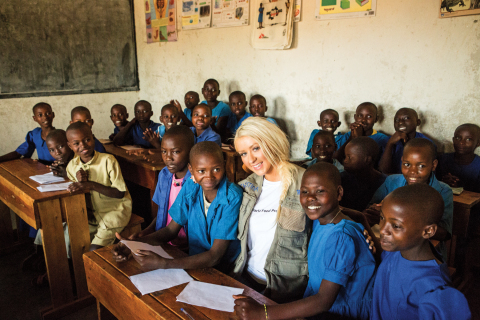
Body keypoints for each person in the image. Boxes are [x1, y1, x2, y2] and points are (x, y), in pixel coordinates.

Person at [234, 162, 376, 320]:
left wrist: (264, 313)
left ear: (339, 193)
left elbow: (324, 301)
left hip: (338, 314)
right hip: (315, 308)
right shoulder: (321, 221)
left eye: (320, 191)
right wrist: (360, 217)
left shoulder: (340, 237)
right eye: (304, 191)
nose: (310, 198)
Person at [112, 142, 242, 273]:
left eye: (216, 169)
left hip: (223, 269)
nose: (209, 176)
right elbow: (170, 230)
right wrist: (133, 244)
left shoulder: (232, 196)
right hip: (191, 261)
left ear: (224, 165)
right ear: (191, 169)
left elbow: (215, 256)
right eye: (201, 171)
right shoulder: (191, 186)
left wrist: (164, 264)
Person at [232, 117, 310, 303]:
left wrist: (359, 224)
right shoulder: (247, 187)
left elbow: (330, 215)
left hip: (286, 290)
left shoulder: (305, 181)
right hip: (246, 279)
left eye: (256, 148)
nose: (250, 159)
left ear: (272, 142)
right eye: (243, 153)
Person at [371, 184, 471, 320]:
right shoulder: (400, 249)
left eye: (396, 226)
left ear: (428, 231)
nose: (383, 229)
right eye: (382, 218)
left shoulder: (432, 288)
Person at [367, 138, 452, 261]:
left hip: (423, 252)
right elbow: (370, 209)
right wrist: (375, 211)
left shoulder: (443, 191)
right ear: (402, 161)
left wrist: (410, 222)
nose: (412, 172)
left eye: (421, 166)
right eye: (407, 164)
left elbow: (444, 234)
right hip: (390, 245)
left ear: (433, 165)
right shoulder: (392, 181)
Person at [125, 126, 194, 250]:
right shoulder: (164, 175)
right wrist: (145, 233)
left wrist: (144, 240)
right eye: (164, 151)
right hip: (164, 241)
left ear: (191, 151)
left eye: (176, 152)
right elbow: (162, 213)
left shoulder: (195, 181)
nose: (168, 158)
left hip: (189, 247)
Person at [66, 122, 132, 251]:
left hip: (115, 211)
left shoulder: (108, 160)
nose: (83, 145)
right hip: (92, 215)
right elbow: (75, 193)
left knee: (94, 249)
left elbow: (120, 193)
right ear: (70, 146)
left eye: (87, 140)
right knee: (73, 242)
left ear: (93, 137)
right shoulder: (72, 166)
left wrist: (90, 184)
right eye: (76, 143)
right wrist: (79, 186)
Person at [379, 108, 433, 174]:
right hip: (393, 180)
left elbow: (430, 172)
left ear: (418, 122)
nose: (400, 122)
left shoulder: (426, 143)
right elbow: (383, 171)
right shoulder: (387, 141)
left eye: (406, 118)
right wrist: (390, 144)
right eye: (396, 120)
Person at [340, 137, 386, 212]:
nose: (345, 161)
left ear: (367, 160)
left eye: (349, 157)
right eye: (345, 157)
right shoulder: (341, 178)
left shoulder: (384, 183)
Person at [436, 123, 480, 193]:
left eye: (468, 139)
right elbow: (433, 183)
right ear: (453, 140)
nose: (461, 142)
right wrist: (443, 182)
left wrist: (459, 186)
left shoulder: (478, 165)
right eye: (458, 138)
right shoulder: (442, 160)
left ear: (478, 143)